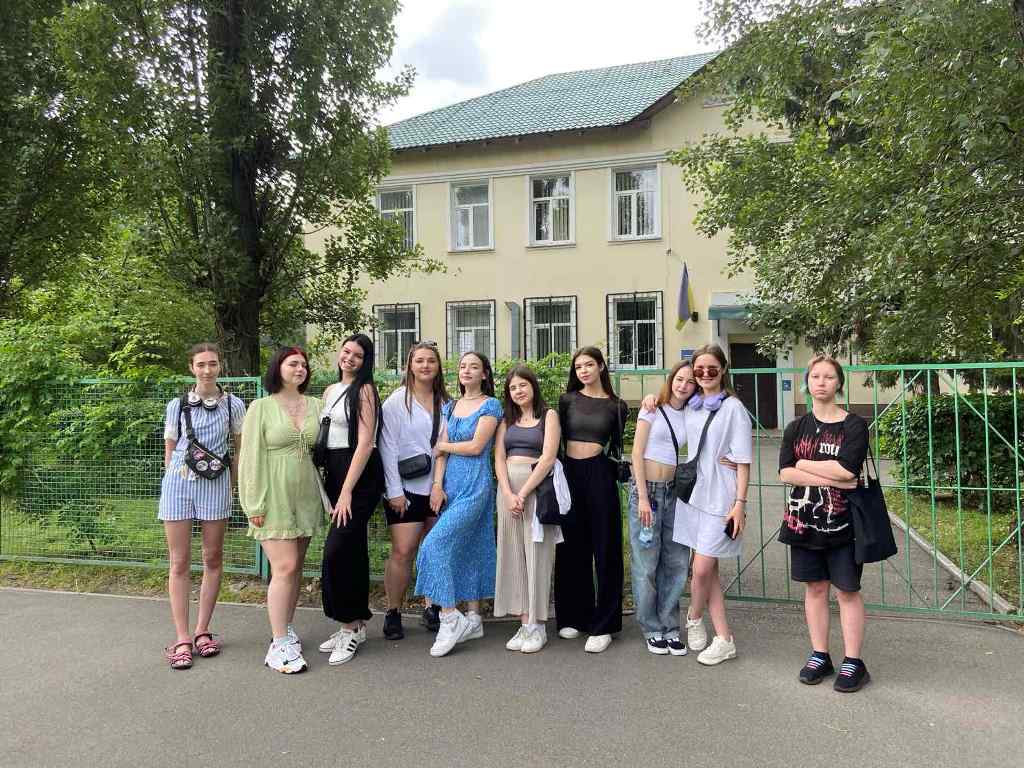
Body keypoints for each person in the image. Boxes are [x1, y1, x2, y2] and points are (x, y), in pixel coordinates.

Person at [778, 355, 870, 692]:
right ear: (807, 382)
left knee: (847, 590)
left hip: (844, 525)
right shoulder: (796, 427)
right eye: (815, 376)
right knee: (815, 588)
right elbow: (785, 472)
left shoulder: (854, 425)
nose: (821, 382)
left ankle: (853, 661)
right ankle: (820, 655)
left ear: (839, 383)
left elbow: (847, 470)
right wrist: (828, 474)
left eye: (828, 376)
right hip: (803, 523)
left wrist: (804, 465)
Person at [159, 342, 246, 670]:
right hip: (178, 484)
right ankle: (182, 638)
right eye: (201, 364)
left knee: (212, 557)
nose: (207, 370)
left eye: (212, 363)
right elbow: (170, 450)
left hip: (216, 484)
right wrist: (172, 479)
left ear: (220, 366)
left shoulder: (234, 405)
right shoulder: (177, 405)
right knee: (179, 562)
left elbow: (239, 449)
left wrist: (234, 486)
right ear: (191, 368)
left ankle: (202, 631)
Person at [239, 346, 323, 674]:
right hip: (272, 495)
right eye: (292, 364)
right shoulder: (260, 407)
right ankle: (278, 644)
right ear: (278, 368)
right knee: (284, 566)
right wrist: (253, 503)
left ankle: (286, 628)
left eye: (303, 365)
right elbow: (249, 458)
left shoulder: (315, 404)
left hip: (305, 495)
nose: (299, 369)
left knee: (296, 566)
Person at [668, 344, 752, 666]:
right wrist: (650, 400)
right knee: (710, 572)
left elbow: (743, 461)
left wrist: (739, 503)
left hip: (722, 497)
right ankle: (724, 638)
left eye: (711, 368)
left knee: (702, 567)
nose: (705, 374)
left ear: (723, 370)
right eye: (699, 369)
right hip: (694, 494)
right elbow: (666, 415)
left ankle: (693, 615)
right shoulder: (691, 405)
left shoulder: (733, 408)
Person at [414, 351, 501, 657]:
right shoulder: (450, 406)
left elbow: (476, 447)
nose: (466, 370)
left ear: (484, 374)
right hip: (450, 487)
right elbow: (441, 456)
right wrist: (437, 486)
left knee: (434, 544)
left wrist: (443, 445)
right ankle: (474, 619)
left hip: (476, 487)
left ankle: (450, 617)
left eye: (474, 367)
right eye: (463, 366)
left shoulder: (491, 405)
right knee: (471, 545)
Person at [315, 334, 385, 666]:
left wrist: (346, 491)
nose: (349, 358)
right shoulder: (330, 390)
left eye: (358, 355)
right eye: (346, 351)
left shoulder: (365, 390)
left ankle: (350, 626)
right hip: (335, 470)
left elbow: (366, 442)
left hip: (359, 475)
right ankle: (355, 623)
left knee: (337, 549)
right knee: (352, 548)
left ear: (365, 361)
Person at [554, 346, 628, 654]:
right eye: (578, 366)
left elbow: (618, 447)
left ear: (601, 367)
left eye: (588, 365)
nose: (583, 370)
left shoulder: (617, 406)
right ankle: (574, 616)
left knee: (606, 547)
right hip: (569, 473)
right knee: (571, 546)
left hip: (599, 474)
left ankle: (605, 624)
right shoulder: (567, 400)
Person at [378, 342, 451, 640]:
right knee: (403, 551)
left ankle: (432, 607)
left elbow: (447, 447)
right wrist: (394, 490)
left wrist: (439, 485)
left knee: (434, 550)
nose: (425, 366)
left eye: (430, 360)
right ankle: (393, 610)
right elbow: (387, 447)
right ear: (409, 365)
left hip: (438, 490)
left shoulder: (446, 402)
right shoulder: (396, 402)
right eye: (419, 360)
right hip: (405, 490)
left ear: (438, 366)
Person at [628, 361, 697, 656]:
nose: (683, 385)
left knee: (676, 562)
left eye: (690, 382)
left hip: (674, 493)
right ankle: (651, 627)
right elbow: (636, 452)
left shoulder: (692, 413)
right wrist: (643, 497)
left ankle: (670, 627)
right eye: (679, 379)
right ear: (671, 380)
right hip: (648, 493)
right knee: (646, 564)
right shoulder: (653, 408)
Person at [494, 366, 562, 654]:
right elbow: (499, 458)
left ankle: (538, 625)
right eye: (513, 387)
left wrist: (522, 493)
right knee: (513, 557)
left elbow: (547, 458)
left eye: (523, 385)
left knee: (538, 556)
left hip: (537, 493)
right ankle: (524, 623)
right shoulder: (506, 421)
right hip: (507, 494)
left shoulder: (549, 416)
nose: (518, 391)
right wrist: (508, 493)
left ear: (533, 386)